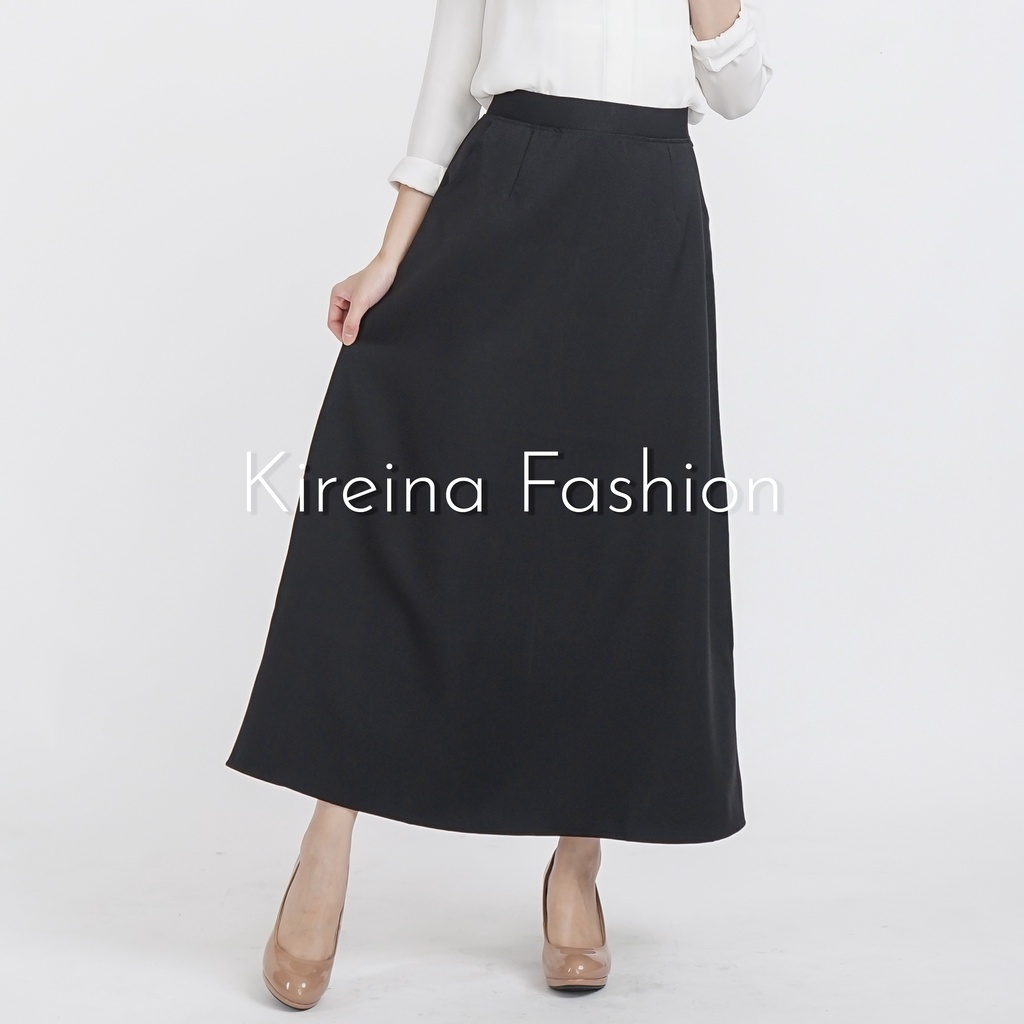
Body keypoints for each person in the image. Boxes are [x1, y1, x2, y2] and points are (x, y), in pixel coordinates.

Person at [226, 0, 773, 1007]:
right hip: (503, 195)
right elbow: (448, 88)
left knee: (616, 541)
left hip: (644, 218)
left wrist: (711, 12)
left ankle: (578, 861)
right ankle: (327, 840)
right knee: (404, 502)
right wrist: (389, 255)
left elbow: (738, 93)